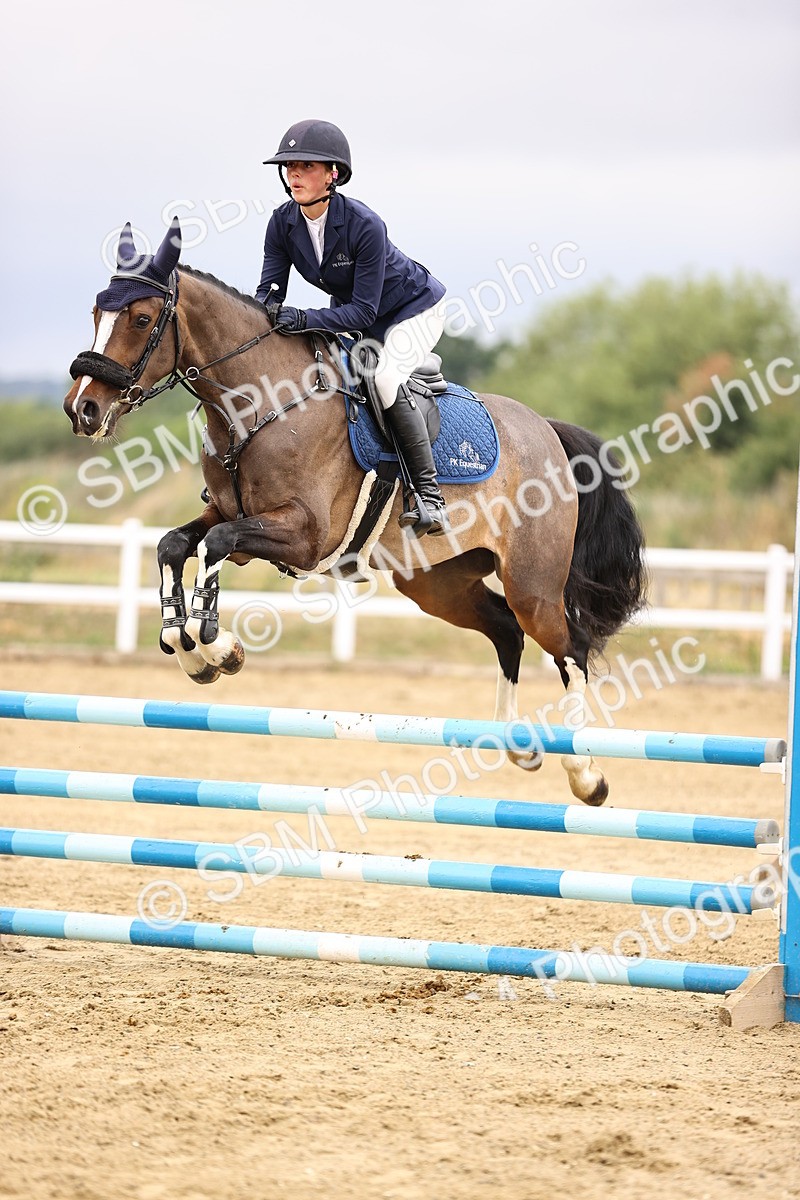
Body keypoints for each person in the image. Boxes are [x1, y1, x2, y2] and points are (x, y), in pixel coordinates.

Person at [255, 119, 450, 537]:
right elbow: (269, 292)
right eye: (289, 165)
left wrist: (304, 319)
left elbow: (363, 312)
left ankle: (429, 497)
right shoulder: (281, 224)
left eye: (306, 166)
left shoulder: (365, 224)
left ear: (333, 174)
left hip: (412, 310)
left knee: (383, 378)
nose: (294, 174)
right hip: (355, 312)